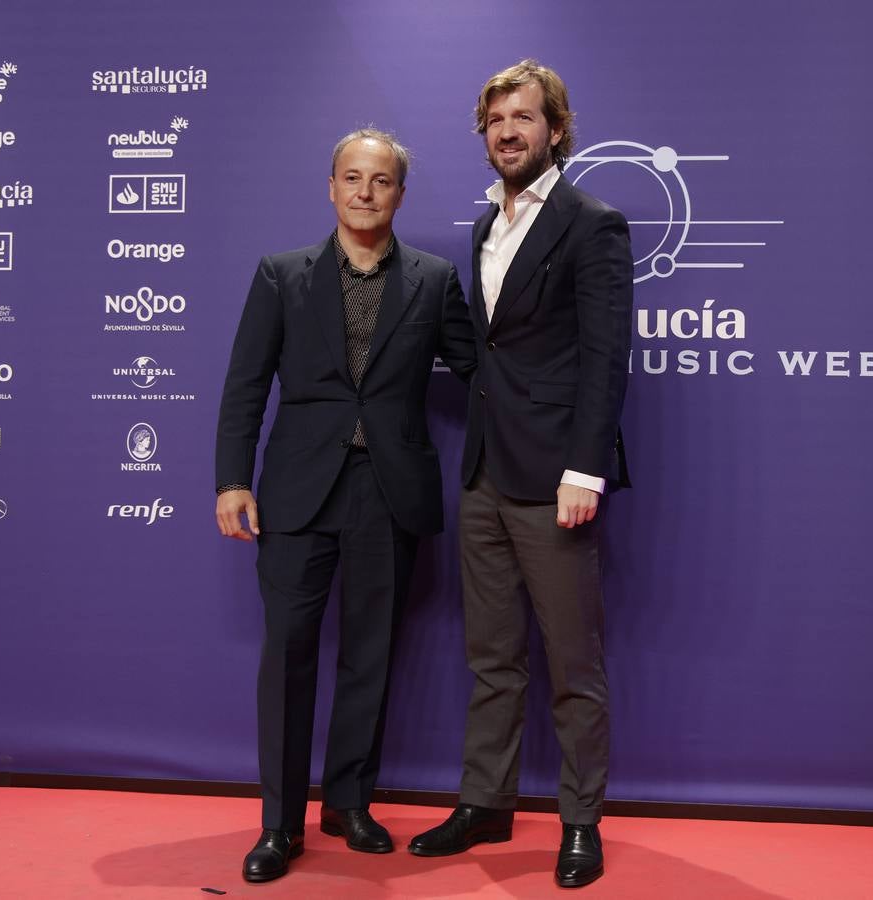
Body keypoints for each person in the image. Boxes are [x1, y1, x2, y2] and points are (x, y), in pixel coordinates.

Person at [214, 127, 475, 884]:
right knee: (288, 658)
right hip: (297, 493)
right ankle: (279, 823)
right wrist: (232, 479)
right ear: (330, 187)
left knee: (370, 656)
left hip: (387, 491)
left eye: (382, 180)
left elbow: (478, 367)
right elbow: (244, 384)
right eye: (352, 178)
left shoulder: (432, 279)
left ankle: (349, 803)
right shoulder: (281, 274)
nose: (366, 191)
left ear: (400, 193)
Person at [408, 60, 632, 889]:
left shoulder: (591, 222)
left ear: (556, 129)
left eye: (523, 118)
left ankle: (580, 822)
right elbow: (493, 350)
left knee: (573, 662)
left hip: (555, 477)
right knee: (491, 655)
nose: (507, 131)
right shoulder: (483, 227)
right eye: (495, 120)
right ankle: (486, 802)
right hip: (482, 473)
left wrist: (587, 469)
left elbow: (606, 360)